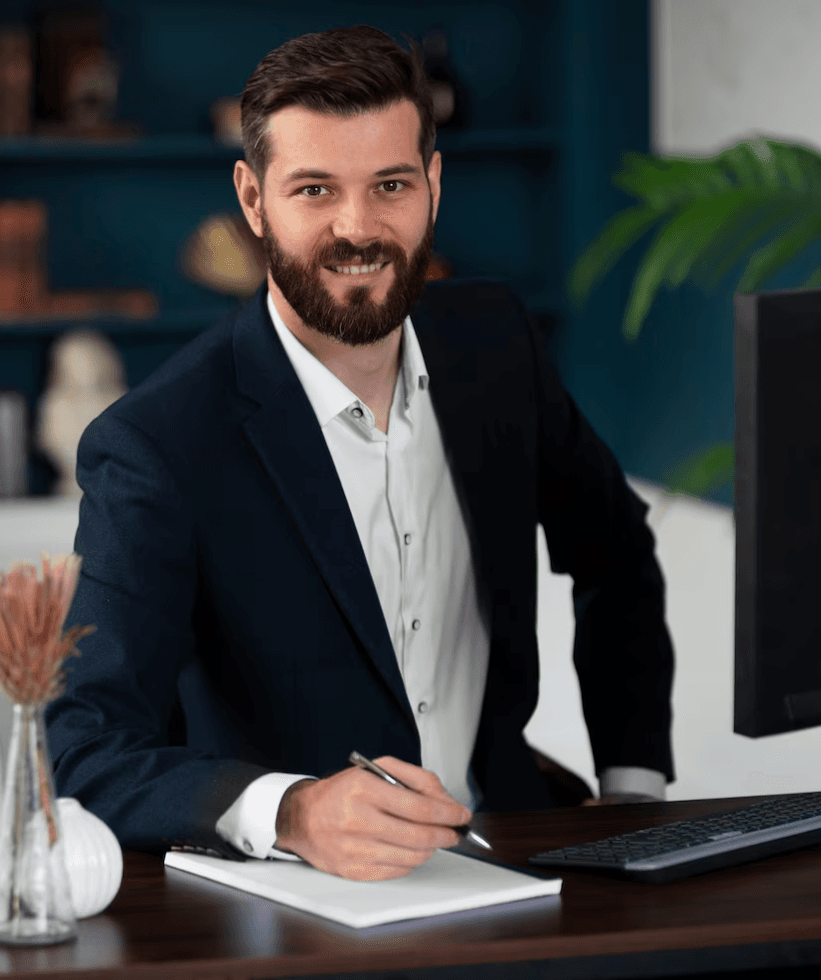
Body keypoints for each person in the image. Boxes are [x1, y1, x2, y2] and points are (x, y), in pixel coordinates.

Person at [46, 25, 675, 882]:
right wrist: (293, 810)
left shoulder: (497, 346)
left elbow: (618, 552)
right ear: (253, 198)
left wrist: (632, 787)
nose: (358, 227)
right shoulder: (156, 445)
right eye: (314, 189)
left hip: (514, 859)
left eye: (390, 185)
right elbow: (85, 750)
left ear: (434, 186)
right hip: (295, 906)